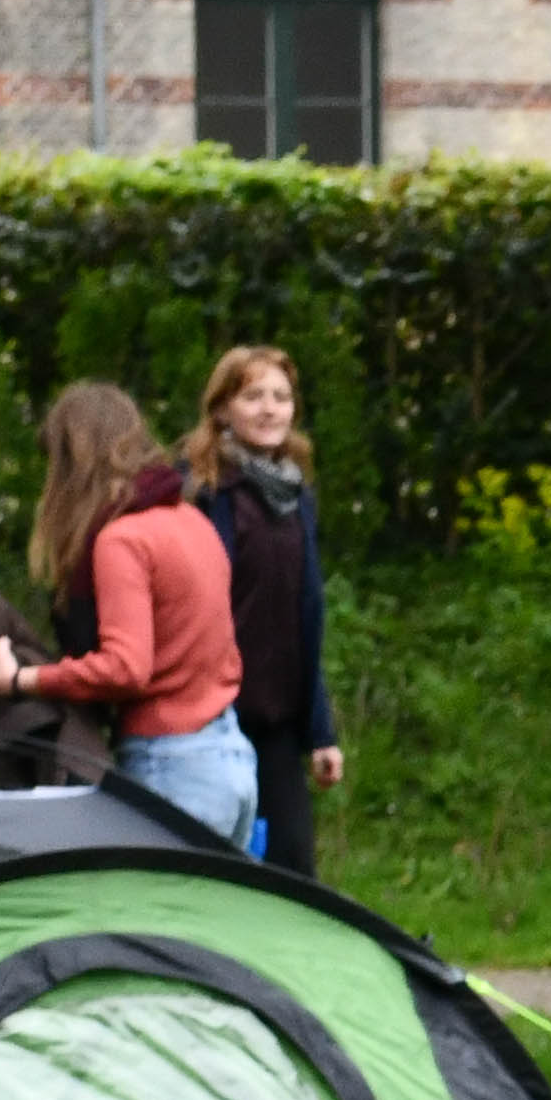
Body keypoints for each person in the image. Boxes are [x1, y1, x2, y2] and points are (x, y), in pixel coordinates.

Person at [0, 381, 249, 836]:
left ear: (70, 464)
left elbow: (126, 667)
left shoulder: (121, 540)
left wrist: (18, 679)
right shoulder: (190, 519)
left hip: (171, 766)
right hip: (230, 757)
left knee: (160, 910)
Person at [192, 345, 342, 879]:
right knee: (223, 873)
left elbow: (304, 620)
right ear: (222, 408)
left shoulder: (298, 498)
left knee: (294, 867)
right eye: (253, 395)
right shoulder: (206, 493)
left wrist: (321, 732)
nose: (269, 409)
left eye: (280, 397)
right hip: (211, 717)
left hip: (277, 718)